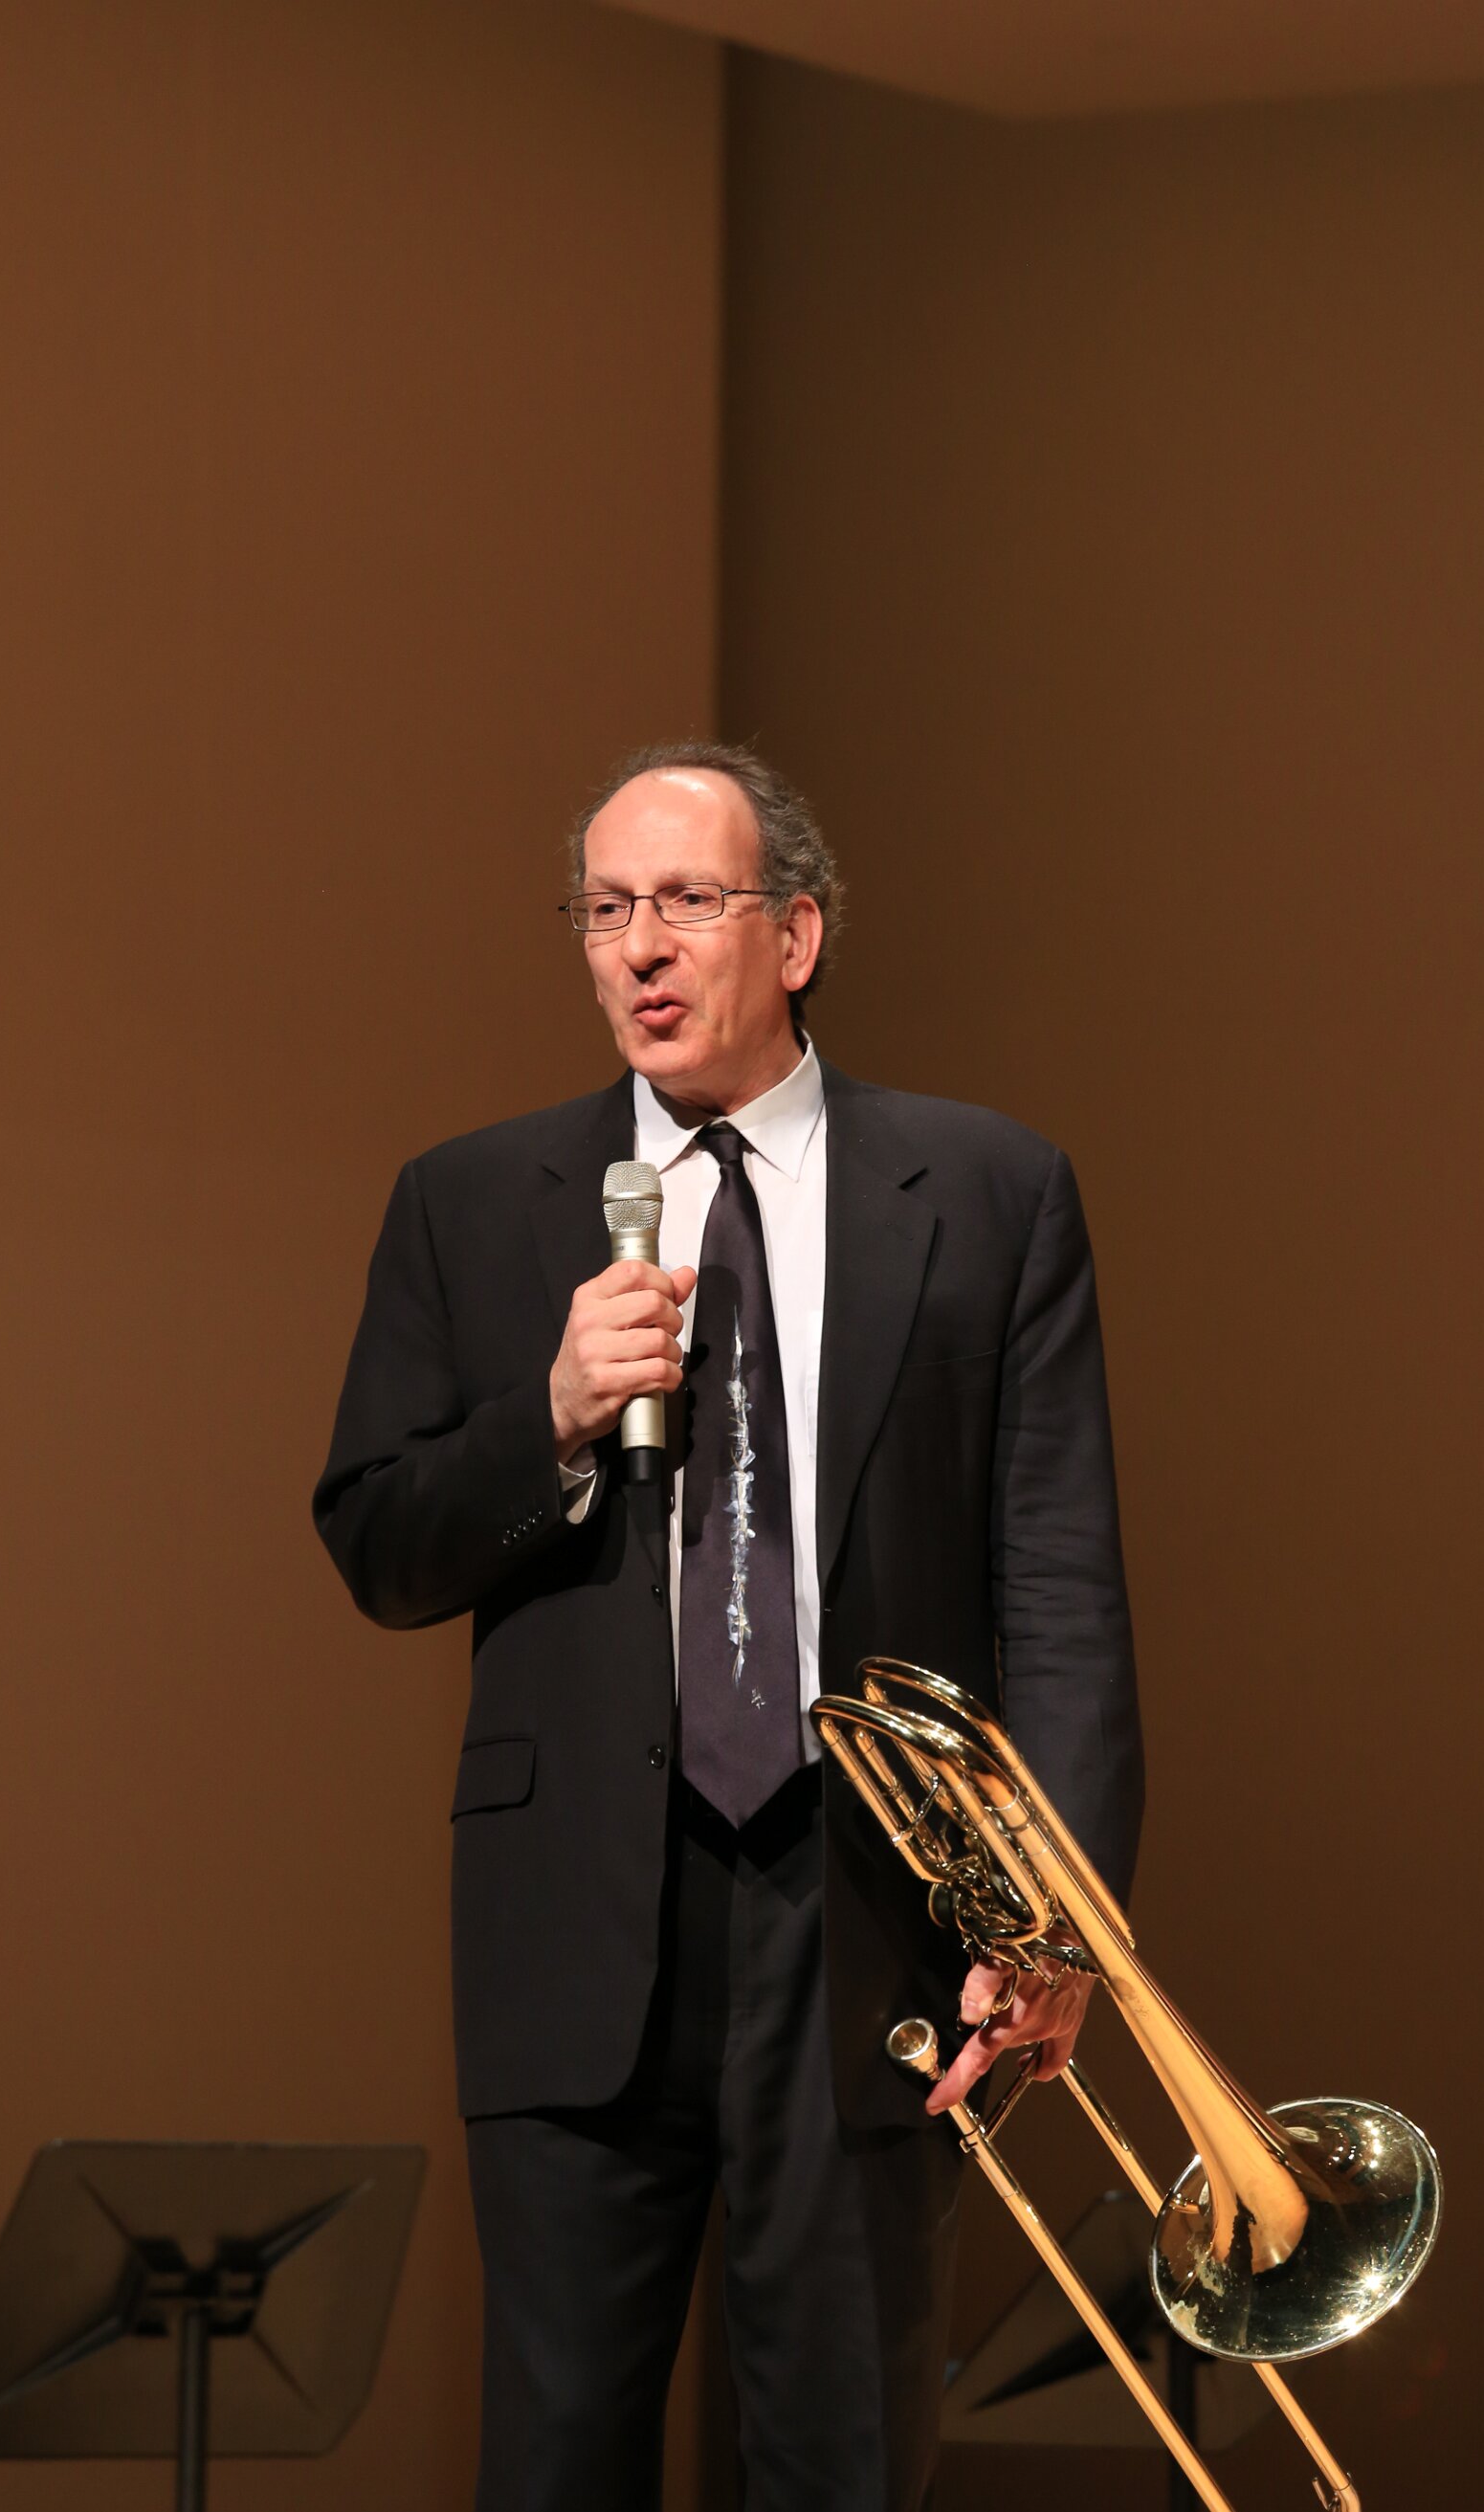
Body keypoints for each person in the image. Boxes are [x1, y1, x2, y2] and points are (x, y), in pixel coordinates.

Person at [314, 741, 1142, 2511]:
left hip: (868, 1916)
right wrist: (547, 1415)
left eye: (685, 900)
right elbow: (378, 1546)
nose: (639, 946)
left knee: (843, 2462)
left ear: (798, 933)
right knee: (557, 2463)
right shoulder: (471, 1199)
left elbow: (1059, 1583)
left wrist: (1058, 1917)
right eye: (603, 908)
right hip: (576, 1920)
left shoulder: (987, 1189)